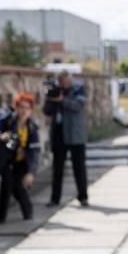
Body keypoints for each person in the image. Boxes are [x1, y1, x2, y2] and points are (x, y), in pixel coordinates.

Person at [0, 93, 40, 223]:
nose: (24, 111)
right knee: (6, 184)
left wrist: (31, 173)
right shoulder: (7, 119)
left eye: (27, 108)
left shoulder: (32, 127)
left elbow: (34, 152)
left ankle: (28, 214)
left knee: (18, 187)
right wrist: (0, 136)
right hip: (5, 159)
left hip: (21, 161)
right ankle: (1, 219)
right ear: (16, 108)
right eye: (21, 107)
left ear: (31, 110)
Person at [43, 70, 89, 207]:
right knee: (57, 169)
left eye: (66, 81)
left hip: (75, 134)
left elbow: (78, 106)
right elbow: (46, 111)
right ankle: (55, 199)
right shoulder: (55, 90)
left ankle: (83, 197)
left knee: (79, 168)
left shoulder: (78, 89)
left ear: (70, 80)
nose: (64, 84)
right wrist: (51, 98)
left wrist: (62, 100)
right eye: (61, 81)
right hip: (59, 134)